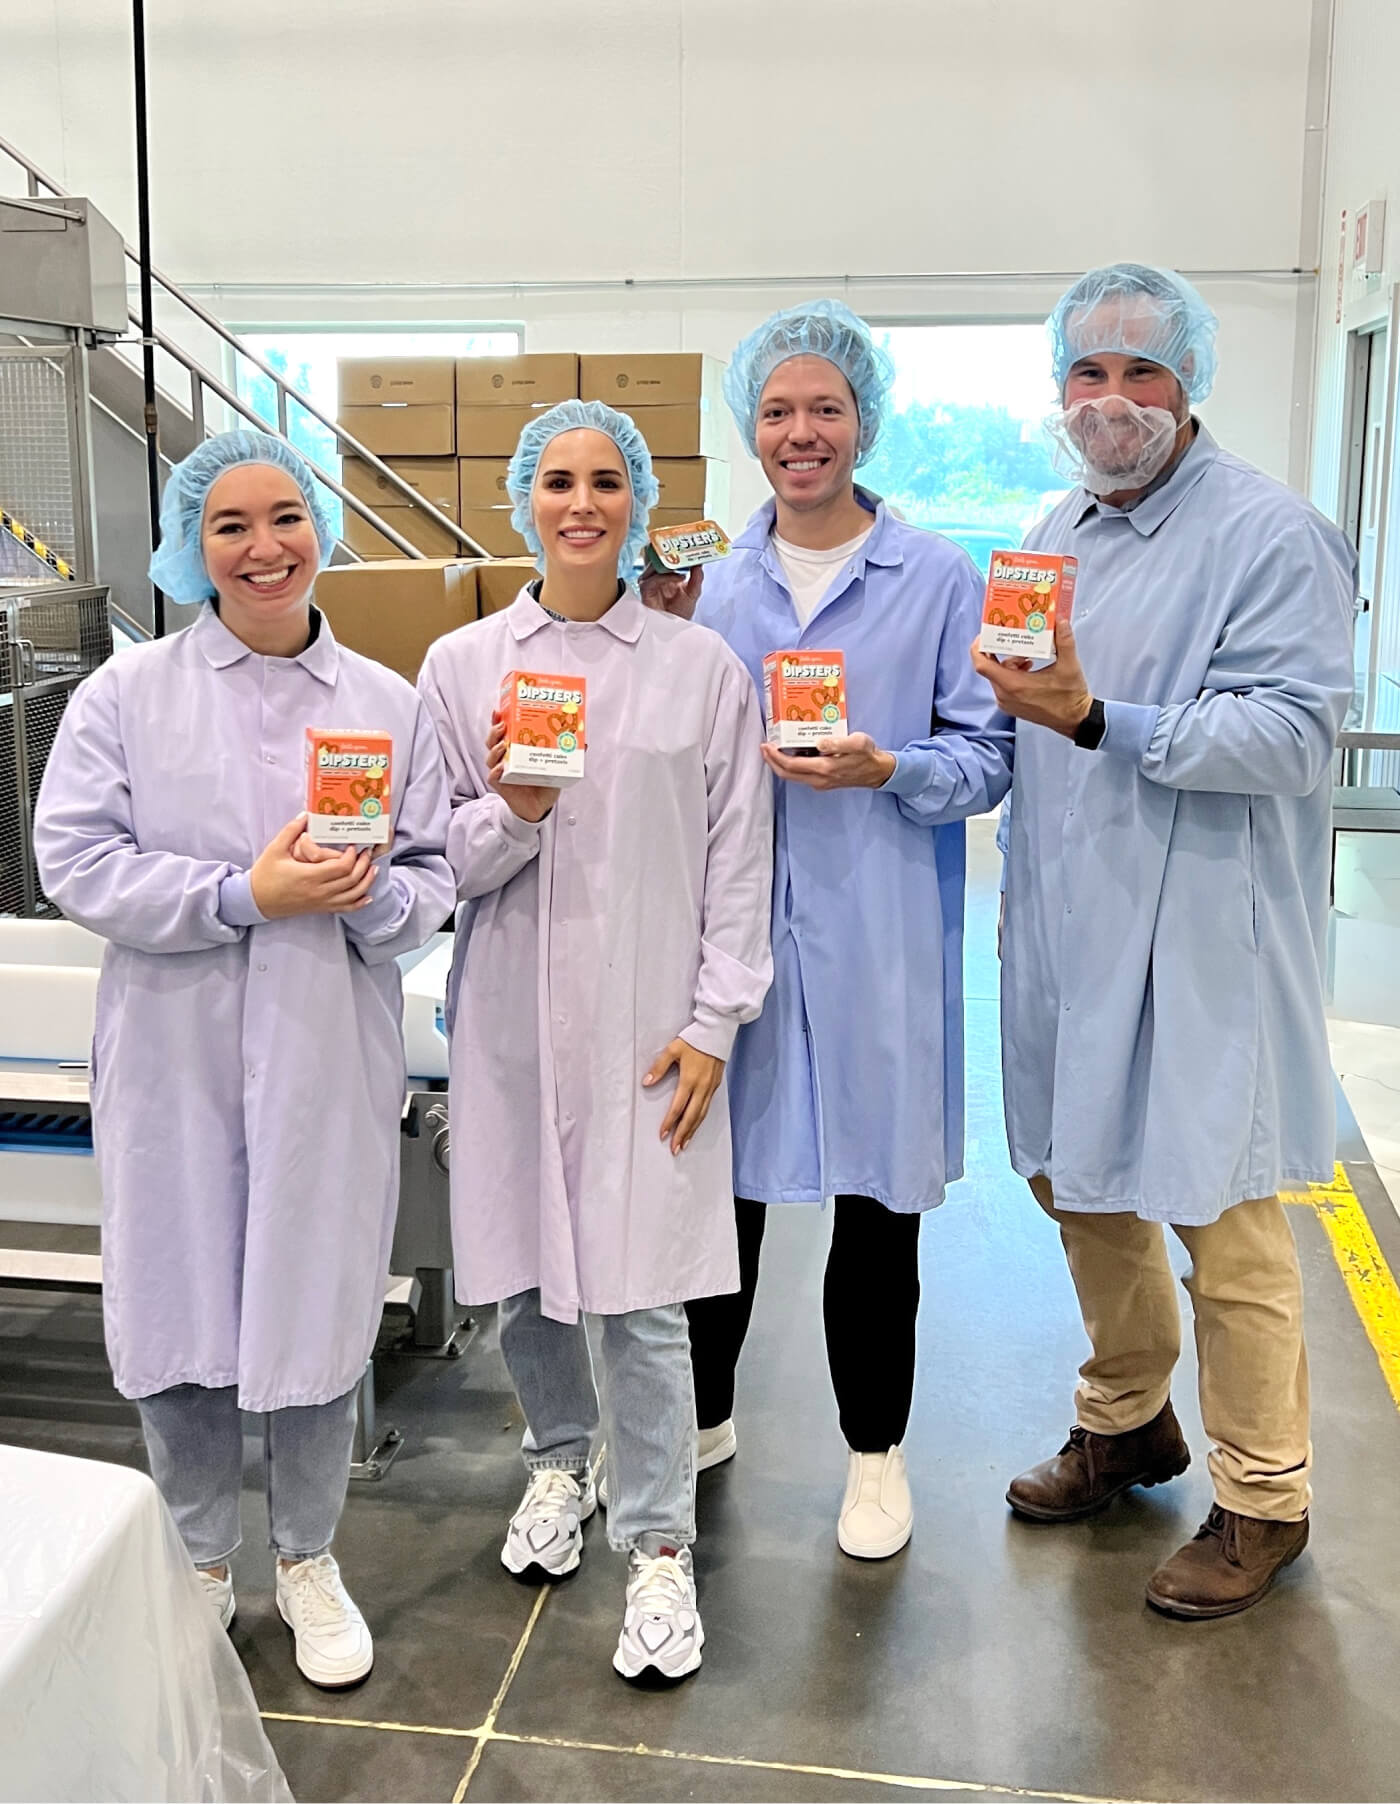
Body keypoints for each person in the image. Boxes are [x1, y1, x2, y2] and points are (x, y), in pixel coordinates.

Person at [34, 430, 454, 1685]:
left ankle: (308, 1556)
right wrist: (242, 895)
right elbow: (75, 860)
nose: (263, 547)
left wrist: (371, 900)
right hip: (174, 1056)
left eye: (284, 517)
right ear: (190, 544)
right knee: (179, 1299)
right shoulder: (127, 695)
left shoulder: (388, 703)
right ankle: (201, 1556)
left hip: (325, 1053)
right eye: (230, 525)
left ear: (320, 528)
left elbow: (433, 877)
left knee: (317, 1301)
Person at [974, 263, 1356, 1617]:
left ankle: (1265, 1496)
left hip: (1199, 938)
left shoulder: (1270, 533)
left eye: (1142, 370)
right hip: (1068, 926)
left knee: (1223, 1218)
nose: (1112, 397)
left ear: (1188, 383)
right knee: (1079, 1185)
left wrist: (1102, 721)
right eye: (1088, 371)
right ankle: (1126, 1417)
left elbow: (1294, 734)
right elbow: (1015, 718)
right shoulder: (1049, 529)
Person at [645, 301, 1013, 1558]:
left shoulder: (936, 576)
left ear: (864, 422)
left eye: (824, 409)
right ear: (748, 428)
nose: (799, 433)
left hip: (878, 937)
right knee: (716, 1198)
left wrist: (887, 767)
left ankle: (873, 1455)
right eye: (776, 412)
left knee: (874, 1207)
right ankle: (700, 1421)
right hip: (731, 935)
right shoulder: (707, 583)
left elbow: (986, 757)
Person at [417, 399, 772, 1681]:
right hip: (509, 1020)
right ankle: (557, 1462)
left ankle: (661, 1543)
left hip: (648, 1031)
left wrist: (713, 1020)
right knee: (522, 1275)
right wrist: (511, 808)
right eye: (558, 480)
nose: (580, 503)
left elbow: (739, 857)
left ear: (637, 506)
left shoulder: (699, 669)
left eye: (605, 481)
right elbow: (433, 860)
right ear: (524, 499)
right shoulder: (461, 667)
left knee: (643, 1298)